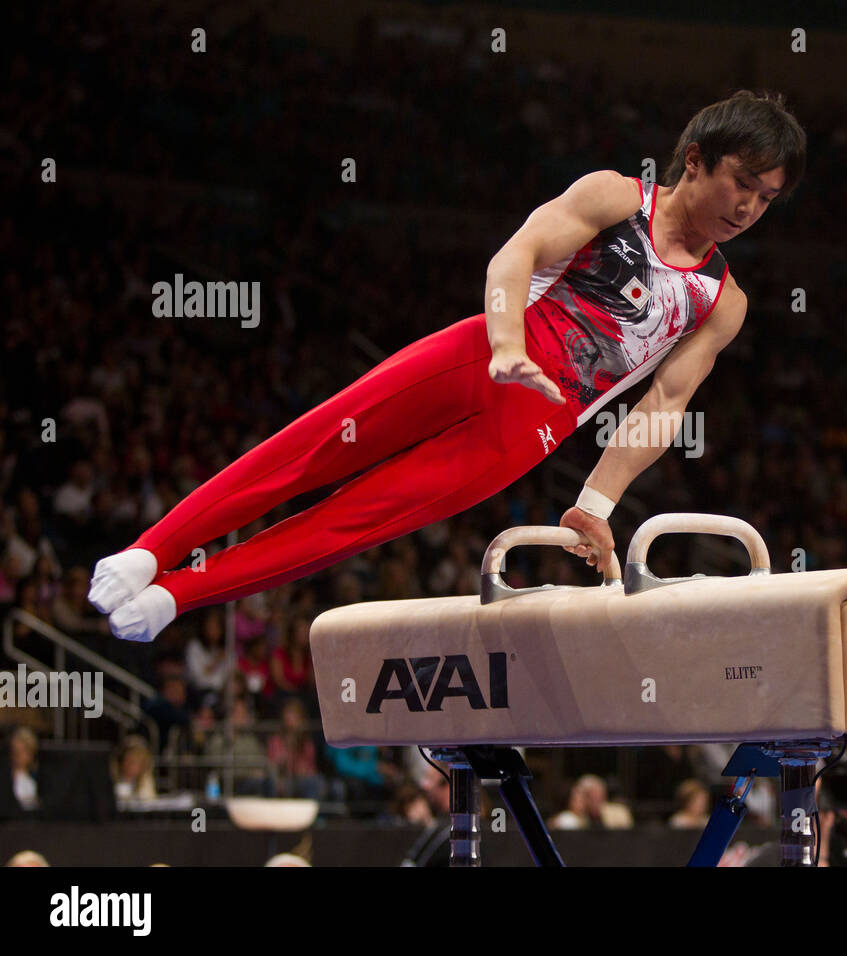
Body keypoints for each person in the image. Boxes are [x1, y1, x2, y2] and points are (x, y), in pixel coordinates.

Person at [87, 90, 806, 643]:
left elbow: (662, 406)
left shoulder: (721, 302)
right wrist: (503, 342)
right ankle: (154, 552)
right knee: (306, 455)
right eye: (742, 182)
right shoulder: (616, 197)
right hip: (476, 357)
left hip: (531, 431)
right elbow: (514, 256)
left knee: (352, 524)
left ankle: (178, 595)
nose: (749, 207)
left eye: (767, 198)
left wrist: (594, 505)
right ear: (695, 161)